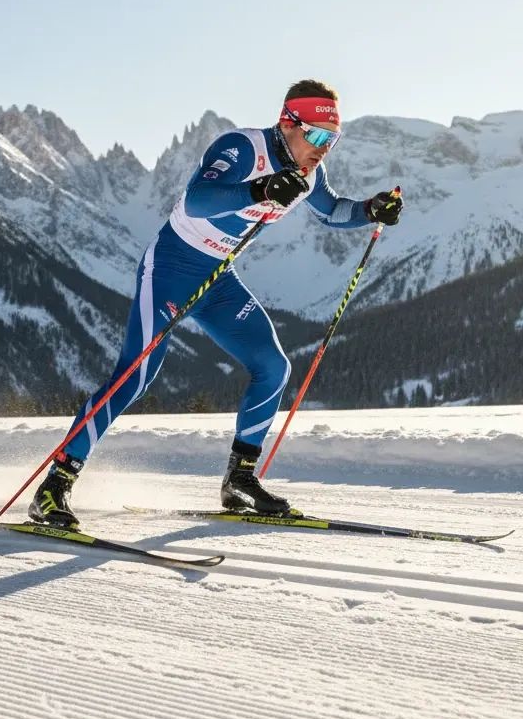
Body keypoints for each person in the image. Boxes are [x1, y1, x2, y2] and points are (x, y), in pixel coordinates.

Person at [29, 80, 403, 528]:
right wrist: (259, 190)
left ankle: (239, 480)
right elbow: (198, 199)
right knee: (135, 377)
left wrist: (369, 210)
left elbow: (330, 211)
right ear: (289, 123)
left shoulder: (309, 174)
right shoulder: (242, 148)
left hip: (216, 280)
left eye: (333, 138)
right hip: (170, 269)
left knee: (273, 366)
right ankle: (54, 486)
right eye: (317, 135)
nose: (324, 148)